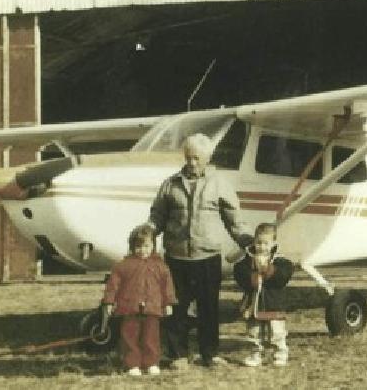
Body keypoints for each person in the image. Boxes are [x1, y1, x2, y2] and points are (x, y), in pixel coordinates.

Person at [150, 133, 254, 368]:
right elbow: (157, 215)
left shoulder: (220, 184)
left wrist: (247, 241)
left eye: (196, 158)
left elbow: (234, 220)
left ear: (207, 158)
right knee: (176, 307)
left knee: (208, 307)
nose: (191, 163)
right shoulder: (170, 184)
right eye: (188, 157)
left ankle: (210, 354)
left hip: (207, 257)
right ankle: (178, 355)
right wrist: (148, 231)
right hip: (176, 257)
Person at [101, 224, 177, 376]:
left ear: (153, 246)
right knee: (130, 338)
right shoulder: (122, 266)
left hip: (152, 308)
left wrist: (168, 303)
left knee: (151, 338)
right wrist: (109, 302)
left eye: (147, 246)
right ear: (132, 247)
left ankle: (151, 363)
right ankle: (132, 364)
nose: (143, 250)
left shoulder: (161, 267)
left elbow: (167, 286)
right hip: (129, 308)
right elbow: (113, 286)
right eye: (138, 246)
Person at [234, 223, 294, 367]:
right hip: (254, 303)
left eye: (266, 243)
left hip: (274, 303)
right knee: (254, 332)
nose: (261, 246)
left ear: (273, 244)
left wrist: (268, 269)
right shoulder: (247, 260)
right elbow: (239, 272)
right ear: (254, 242)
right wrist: (252, 277)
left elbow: (284, 275)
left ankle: (280, 353)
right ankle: (256, 354)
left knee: (277, 332)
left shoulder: (279, 260)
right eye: (258, 242)